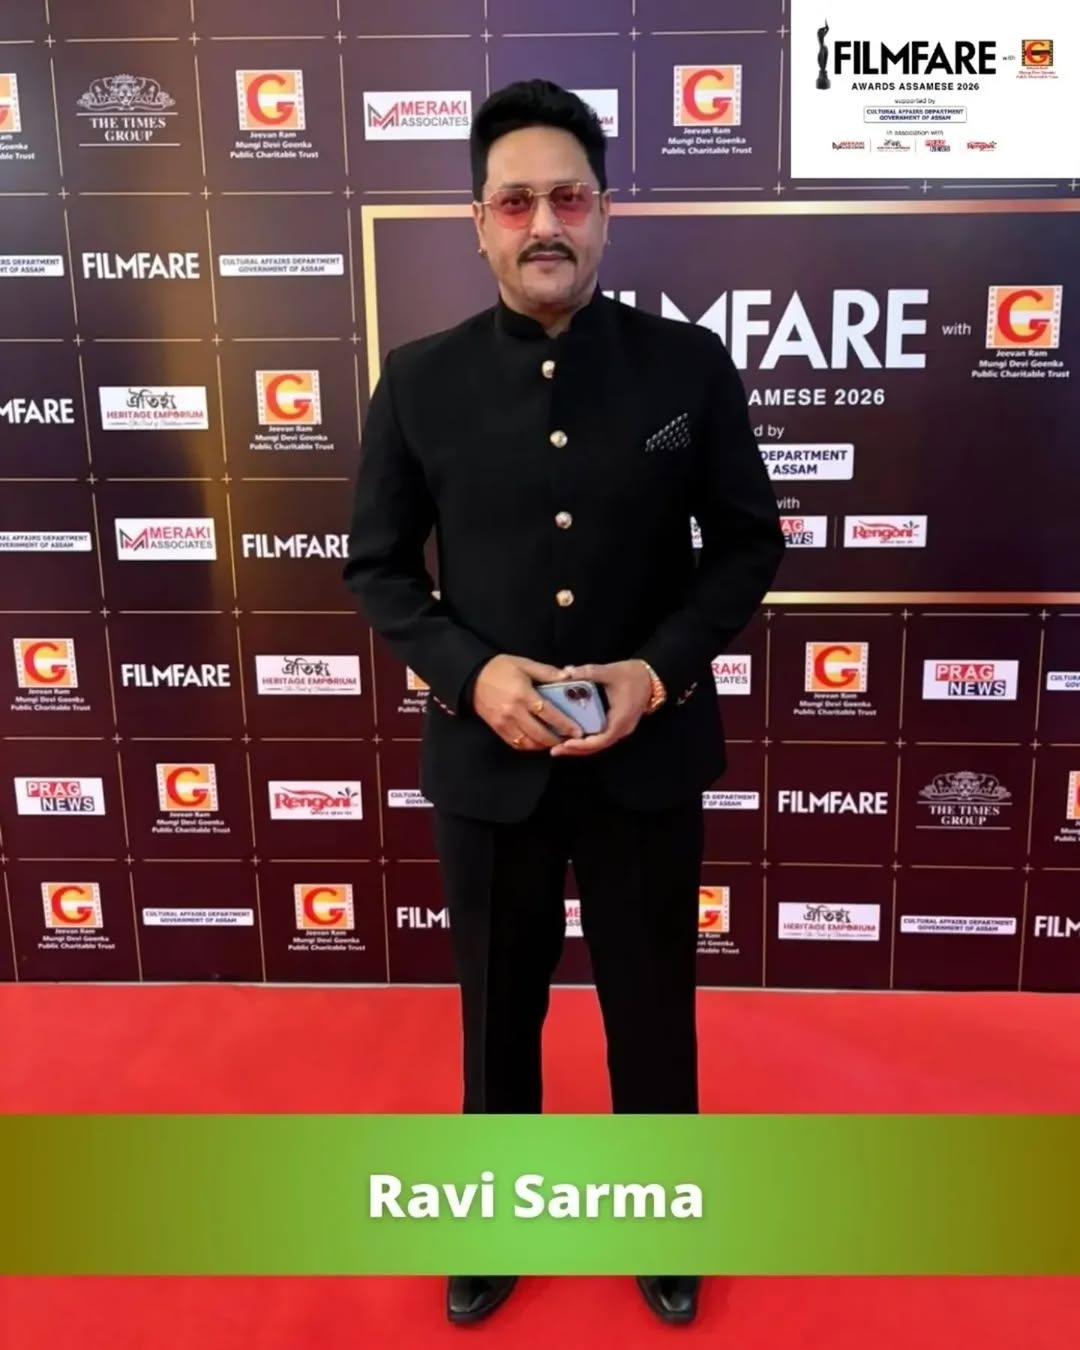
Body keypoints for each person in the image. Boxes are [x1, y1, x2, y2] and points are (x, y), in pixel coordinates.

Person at [344, 79, 785, 1326]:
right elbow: (378, 569)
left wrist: (658, 669)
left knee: (653, 1009)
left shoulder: (688, 367)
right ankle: (494, 1215)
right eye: (516, 200)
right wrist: (471, 672)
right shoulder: (417, 381)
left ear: (605, 214)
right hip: (487, 767)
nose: (545, 222)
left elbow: (747, 545)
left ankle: (662, 1214)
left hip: (648, 760)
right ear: (478, 222)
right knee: (498, 1013)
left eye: (569, 197)